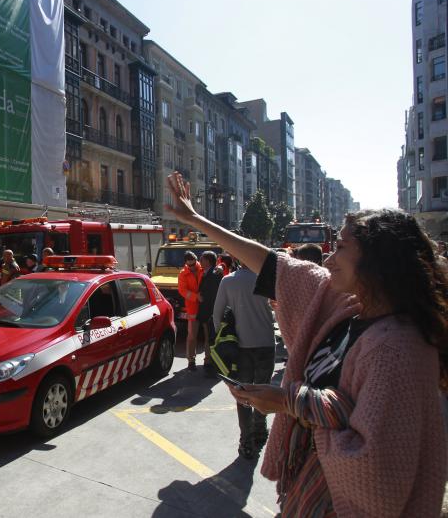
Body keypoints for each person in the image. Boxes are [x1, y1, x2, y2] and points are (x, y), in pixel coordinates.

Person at [166, 171, 447, 516]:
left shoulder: (398, 348)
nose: (328, 260)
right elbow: (273, 265)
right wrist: (195, 219)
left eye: (341, 247)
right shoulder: (349, 306)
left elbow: (378, 479)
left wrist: (289, 402)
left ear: (378, 261)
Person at [212, 262, 275, 460]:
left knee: (243, 394)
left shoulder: (228, 281)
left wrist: (221, 336)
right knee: (263, 388)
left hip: (241, 346)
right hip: (266, 342)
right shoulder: (267, 278)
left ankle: (246, 441)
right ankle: (260, 427)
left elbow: (217, 314)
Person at [197, 250, 223, 375]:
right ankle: (209, 361)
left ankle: (211, 365)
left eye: (202, 259)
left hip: (210, 313)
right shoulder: (210, 273)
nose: (200, 261)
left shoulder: (213, 274)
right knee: (209, 338)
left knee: (211, 339)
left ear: (208, 261)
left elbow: (213, 295)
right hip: (209, 312)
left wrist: (202, 297)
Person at [177, 250, 203, 370]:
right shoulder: (183, 274)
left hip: (205, 306)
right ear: (186, 263)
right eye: (190, 265)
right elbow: (182, 291)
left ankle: (209, 360)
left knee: (209, 336)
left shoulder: (203, 269)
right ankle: (191, 361)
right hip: (192, 307)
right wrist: (195, 297)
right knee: (192, 335)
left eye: (194, 264)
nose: (192, 267)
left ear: (196, 260)